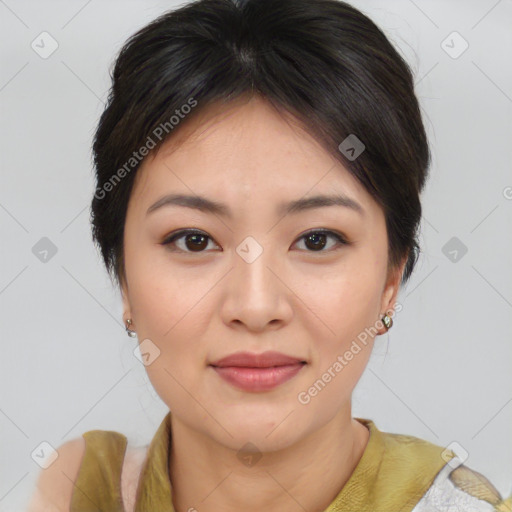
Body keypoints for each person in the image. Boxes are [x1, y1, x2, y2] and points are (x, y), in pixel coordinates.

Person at [28, 0, 511, 510]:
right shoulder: (76, 491)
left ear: (392, 276)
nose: (255, 307)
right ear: (123, 275)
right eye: (194, 240)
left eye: (316, 240)